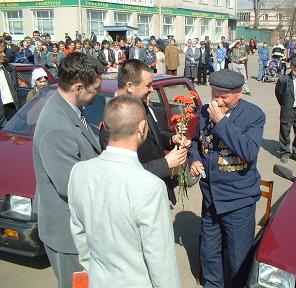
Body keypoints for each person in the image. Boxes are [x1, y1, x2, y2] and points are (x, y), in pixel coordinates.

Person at [68, 95, 181, 288]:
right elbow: (161, 262)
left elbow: (80, 237)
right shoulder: (150, 186)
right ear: (142, 129)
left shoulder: (79, 172)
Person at [189, 69, 265, 288]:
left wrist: (221, 122)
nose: (219, 102)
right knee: (209, 253)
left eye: (225, 97)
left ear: (239, 93)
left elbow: (248, 152)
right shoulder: (205, 111)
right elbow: (196, 141)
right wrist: (194, 159)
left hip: (238, 201)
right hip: (211, 198)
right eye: (215, 95)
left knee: (237, 260)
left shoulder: (254, 115)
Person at [33, 53, 103, 288]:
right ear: (78, 87)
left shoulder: (68, 108)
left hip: (75, 229)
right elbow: (71, 186)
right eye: (94, 89)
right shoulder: (57, 125)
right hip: (68, 236)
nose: (97, 94)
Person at [99, 59, 190, 205]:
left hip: (157, 192)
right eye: (147, 85)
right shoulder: (111, 120)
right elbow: (122, 173)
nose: (152, 89)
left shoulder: (141, 103)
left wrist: (172, 139)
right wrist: (165, 164)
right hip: (137, 201)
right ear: (130, 86)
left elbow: (155, 134)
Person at [275, 56, 296, 164]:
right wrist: (285, 105)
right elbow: (279, 94)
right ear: (291, 66)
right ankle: (285, 152)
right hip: (288, 110)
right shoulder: (283, 80)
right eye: (294, 67)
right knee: (285, 132)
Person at [0, 41, 20, 128]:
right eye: (0, 52)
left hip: (12, 109)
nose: (4, 55)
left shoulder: (10, 69)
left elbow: (15, 90)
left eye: (3, 51)